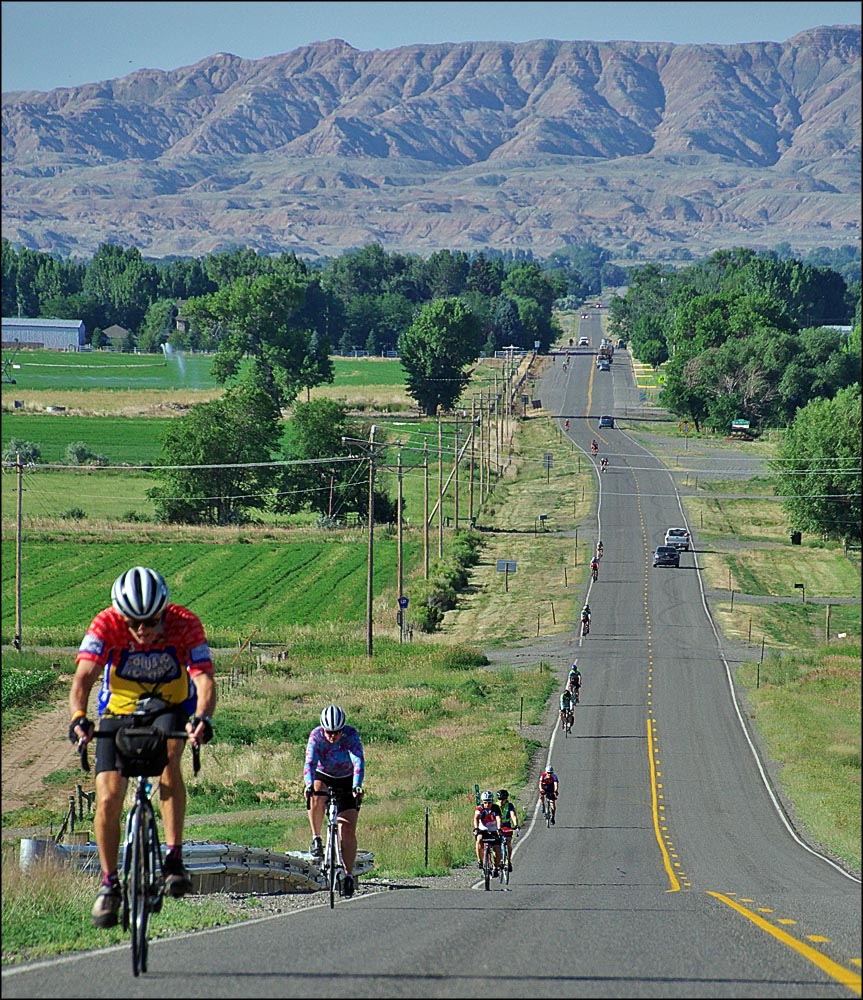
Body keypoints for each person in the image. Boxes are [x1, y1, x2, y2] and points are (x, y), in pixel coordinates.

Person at [68, 566, 216, 929]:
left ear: (164, 611)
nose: (143, 630)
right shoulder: (105, 623)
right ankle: (109, 884)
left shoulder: (185, 623)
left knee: (168, 764)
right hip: (119, 709)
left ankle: (173, 858)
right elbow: (84, 677)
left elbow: (204, 679)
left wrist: (201, 719)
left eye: (151, 620)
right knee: (108, 797)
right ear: (121, 615)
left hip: (171, 705)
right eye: (134, 622)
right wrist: (78, 717)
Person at [304, 704, 365, 899]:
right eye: (329, 732)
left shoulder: (351, 735)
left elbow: (358, 761)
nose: (333, 736)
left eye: (337, 732)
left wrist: (356, 786)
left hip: (347, 779)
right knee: (315, 793)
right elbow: (310, 762)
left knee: (347, 830)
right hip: (324, 775)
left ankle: (348, 875)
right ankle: (316, 838)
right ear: (323, 729)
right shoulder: (316, 736)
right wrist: (307, 785)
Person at [473, 789, 503, 875]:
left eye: (489, 802)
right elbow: (476, 818)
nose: (487, 804)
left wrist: (499, 828)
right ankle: (480, 860)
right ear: (482, 802)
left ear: (492, 801)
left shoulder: (496, 808)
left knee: (497, 849)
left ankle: (495, 867)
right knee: (479, 839)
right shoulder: (479, 808)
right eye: (485, 802)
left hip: (494, 830)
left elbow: (498, 818)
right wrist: (476, 828)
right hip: (483, 830)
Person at [496, 789, 519, 873]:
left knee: (508, 842)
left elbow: (513, 815)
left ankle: (508, 860)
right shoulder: (495, 806)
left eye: (503, 799)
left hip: (507, 826)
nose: (501, 801)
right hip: (497, 827)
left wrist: (516, 825)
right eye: (499, 799)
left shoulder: (509, 806)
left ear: (506, 799)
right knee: (496, 845)